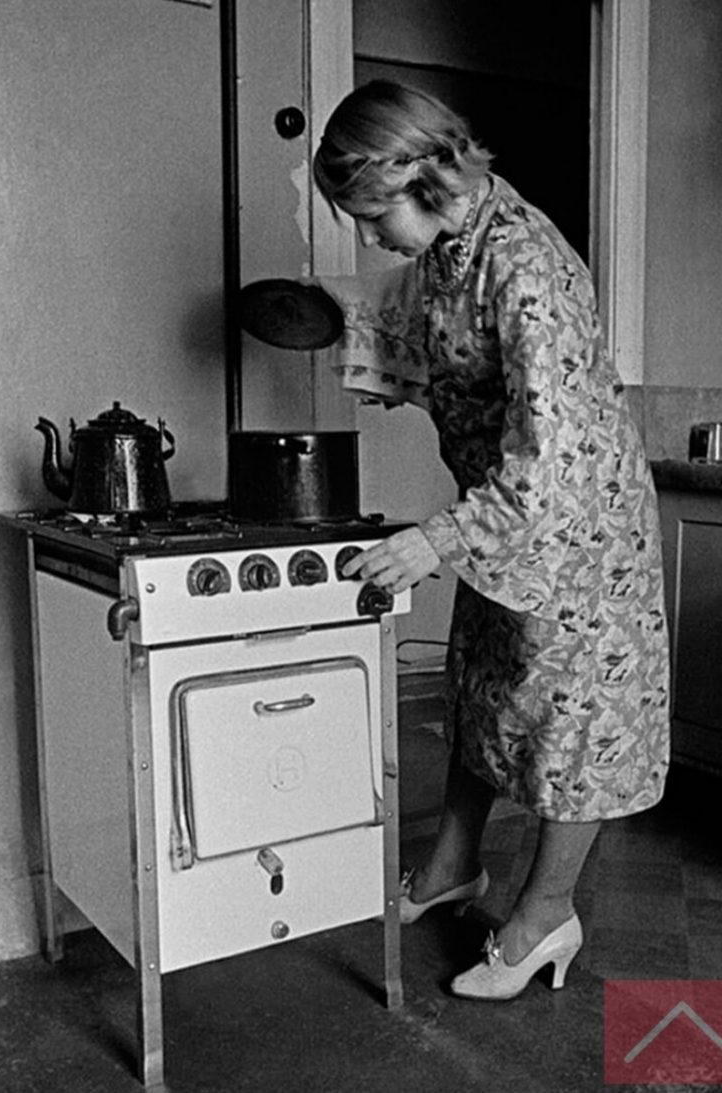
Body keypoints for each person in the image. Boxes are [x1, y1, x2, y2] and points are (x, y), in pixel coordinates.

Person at [313, 80, 670, 1001]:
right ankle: (452, 868)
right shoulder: (448, 249)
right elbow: (451, 352)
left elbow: (554, 456)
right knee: (483, 688)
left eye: (371, 215)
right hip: (504, 518)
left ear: (421, 177)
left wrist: (434, 541)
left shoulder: (525, 265)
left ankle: (545, 914)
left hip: (578, 528)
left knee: (575, 722)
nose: (368, 238)